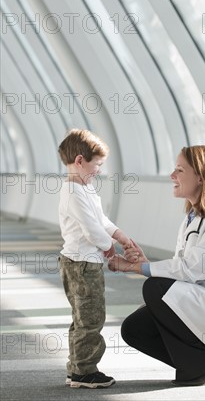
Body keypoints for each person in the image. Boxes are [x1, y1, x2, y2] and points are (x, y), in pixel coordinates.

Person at [108, 145, 205, 386]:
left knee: (155, 288)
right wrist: (146, 264)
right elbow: (184, 269)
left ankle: (199, 367)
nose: (172, 175)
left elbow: (194, 270)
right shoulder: (193, 218)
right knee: (134, 329)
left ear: (202, 177)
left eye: (180, 170)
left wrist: (138, 268)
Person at [58, 128, 131, 389]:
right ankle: (84, 371)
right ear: (80, 161)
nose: (99, 170)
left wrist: (118, 235)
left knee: (82, 318)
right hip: (82, 265)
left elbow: (100, 220)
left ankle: (77, 368)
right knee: (90, 319)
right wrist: (109, 248)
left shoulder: (84, 189)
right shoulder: (74, 193)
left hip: (83, 262)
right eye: (97, 164)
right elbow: (92, 230)